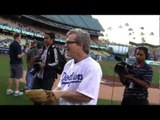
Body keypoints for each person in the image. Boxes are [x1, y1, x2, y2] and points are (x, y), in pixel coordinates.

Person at [52, 28, 102, 105]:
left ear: (80, 45)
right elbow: (61, 86)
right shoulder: (68, 64)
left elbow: (86, 96)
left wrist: (60, 94)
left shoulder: (92, 67)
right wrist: (49, 95)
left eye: (69, 42)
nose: (65, 45)